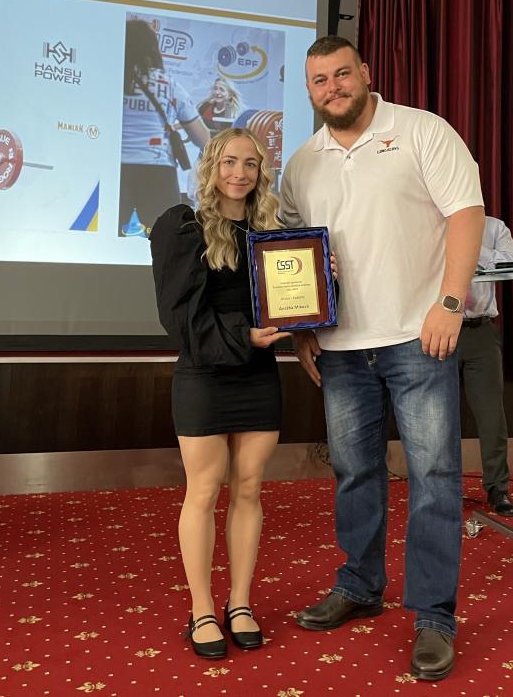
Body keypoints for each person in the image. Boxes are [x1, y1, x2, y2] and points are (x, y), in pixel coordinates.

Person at [281, 36, 485, 682]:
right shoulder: (301, 163)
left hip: (419, 337)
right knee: (353, 473)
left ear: (365, 73)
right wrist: (301, 331)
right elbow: (292, 254)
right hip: (340, 347)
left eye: (343, 74)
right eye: (320, 80)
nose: (333, 87)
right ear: (309, 91)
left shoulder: (423, 131)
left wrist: (449, 302)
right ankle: (360, 584)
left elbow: (467, 213)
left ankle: (434, 615)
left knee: (435, 476)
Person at [149, 128, 288, 659]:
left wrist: (325, 276)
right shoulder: (182, 226)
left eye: (250, 164)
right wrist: (242, 335)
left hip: (257, 375)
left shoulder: (271, 232)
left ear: (261, 172)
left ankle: (241, 603)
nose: (239, 173)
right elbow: (179, 318)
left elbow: (293, 303)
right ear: (211, 165)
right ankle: (202, 608)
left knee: (249, 488)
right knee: (203, 491)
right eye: (229, 161)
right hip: (204, 374)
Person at [119, 18, 210, 235]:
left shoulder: (112, 80)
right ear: (153, 47)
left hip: (117, 171)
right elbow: (203, 140)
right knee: (165, 242)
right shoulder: (168, 84)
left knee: (108, 236)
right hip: (158, 172)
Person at [459, 216, 513, 517]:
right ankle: (441, 487)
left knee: (492, 416)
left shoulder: (494, 228)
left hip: (480, 330)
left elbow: (511, 264)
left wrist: (469, 245)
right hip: (438, 328)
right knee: (437, 416)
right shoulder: (430, 222)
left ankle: (498, 487)